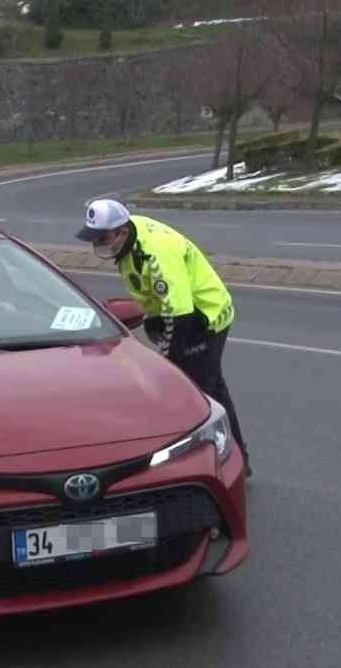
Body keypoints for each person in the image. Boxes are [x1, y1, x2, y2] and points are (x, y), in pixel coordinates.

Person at [76, 198, 252, 478]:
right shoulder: (128, 243)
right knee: (208, 389)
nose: (98, 243)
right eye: (94, 237)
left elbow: (179, 314)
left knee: (198, 395)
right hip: (180, 313)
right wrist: (152, 321)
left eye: (103, 237)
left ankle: (220, 465)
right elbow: (151, 296)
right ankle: (237, 459)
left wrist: (167, 360)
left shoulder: (155, 253)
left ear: (121, 230)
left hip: (204, 316)